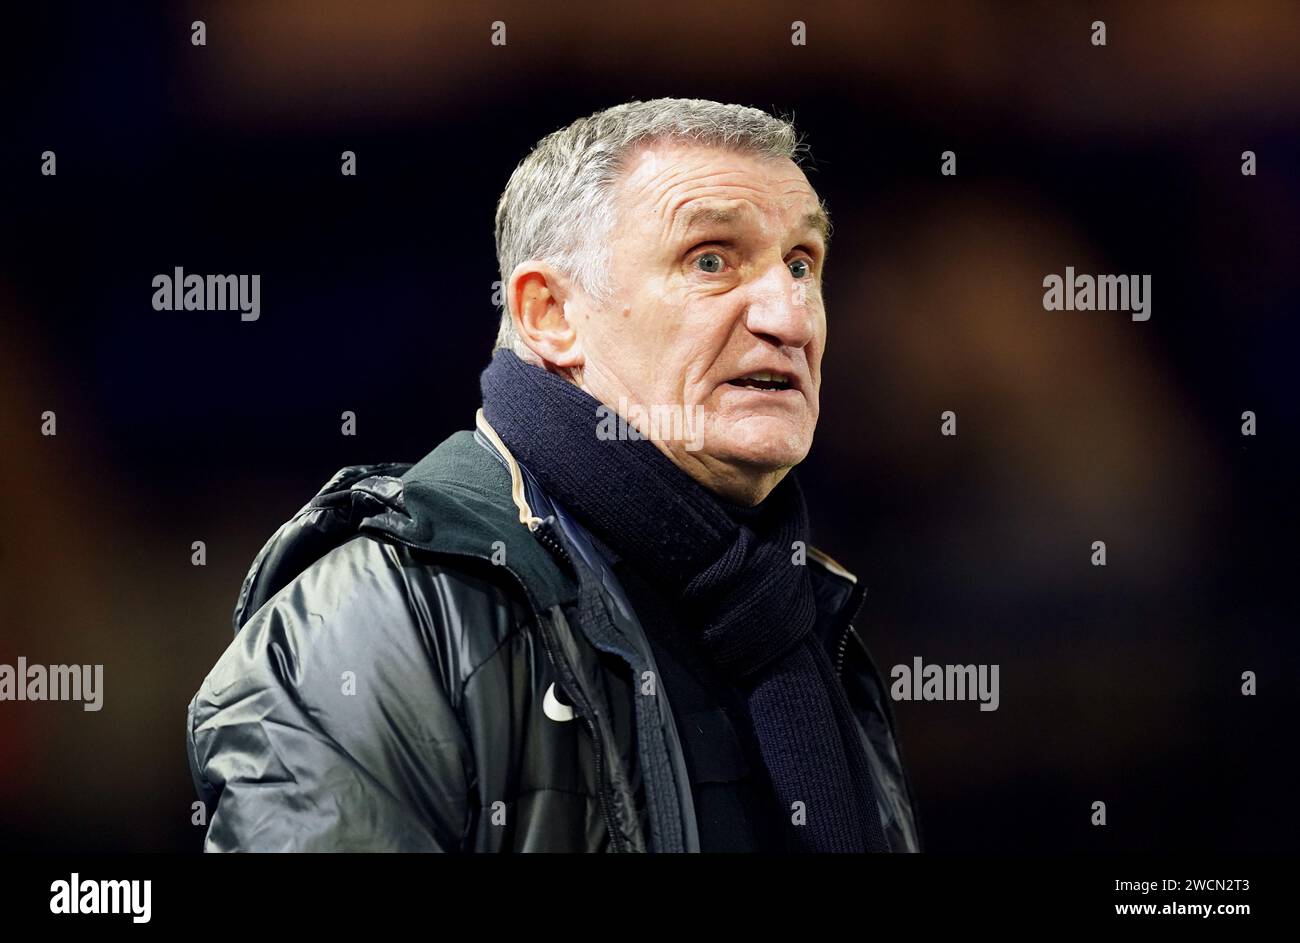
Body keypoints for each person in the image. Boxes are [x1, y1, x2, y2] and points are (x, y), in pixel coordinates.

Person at [186, 97, 922, 853]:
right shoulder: (381, 619)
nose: (790, 316)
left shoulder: (809, 619)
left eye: (801, 263)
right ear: (550, 315)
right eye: (711, 259)